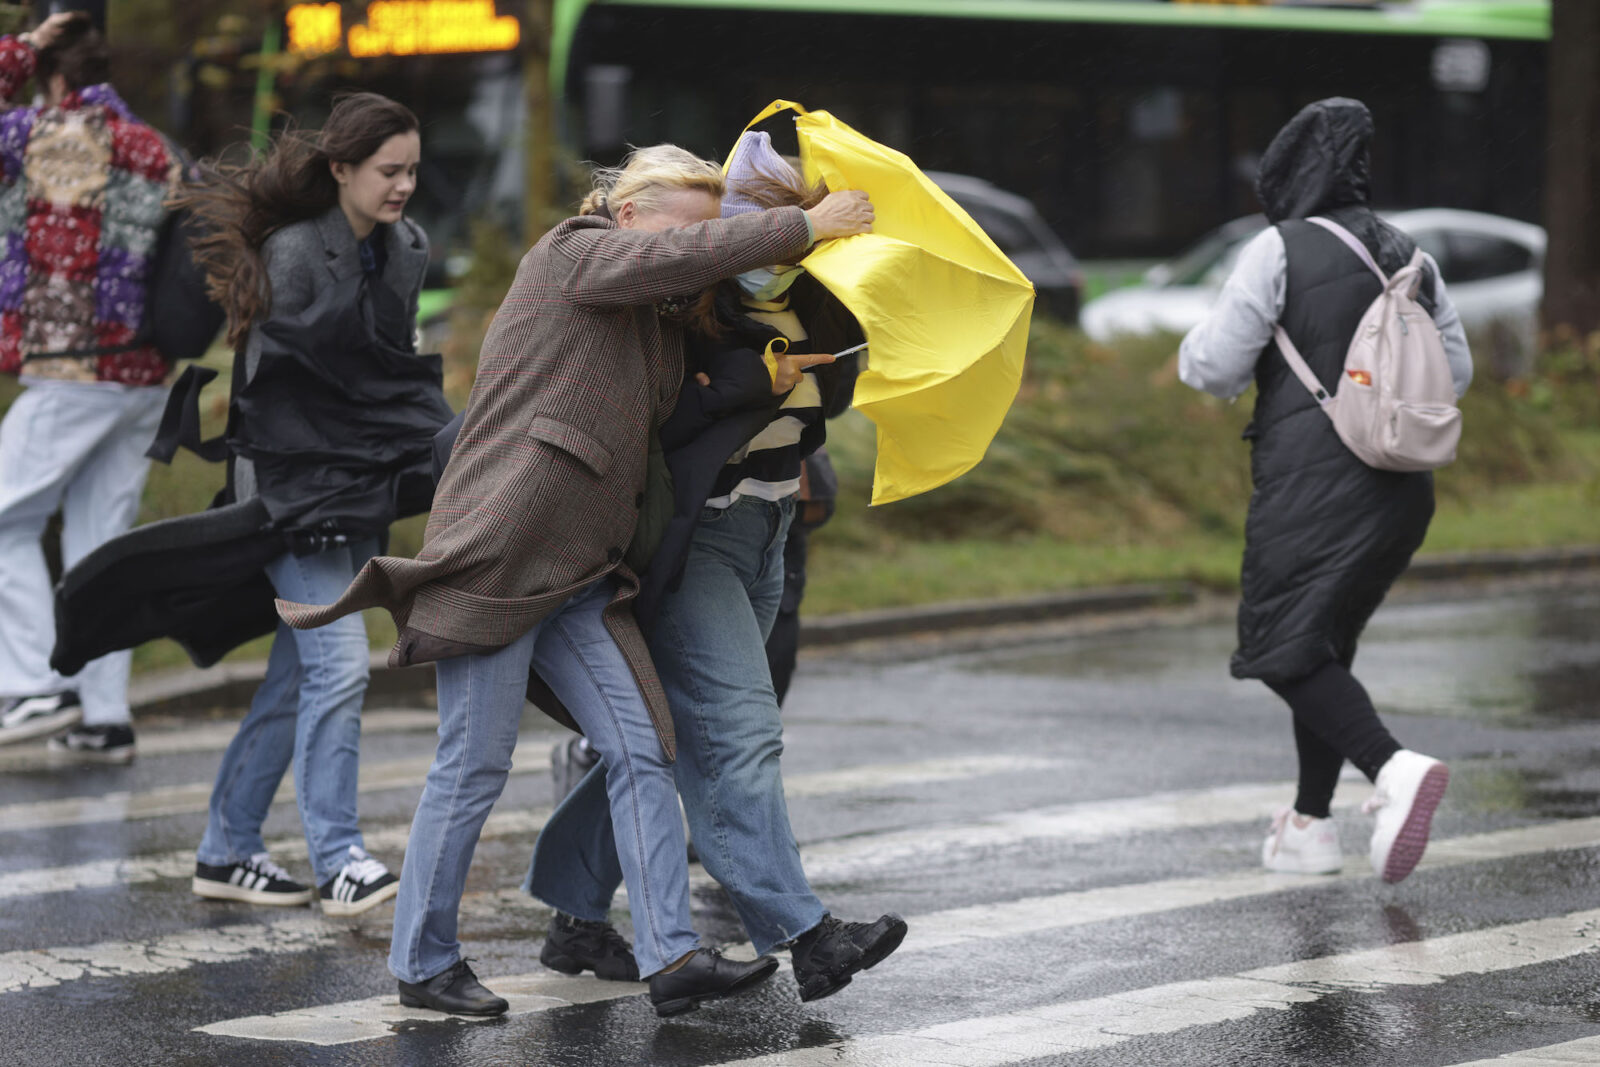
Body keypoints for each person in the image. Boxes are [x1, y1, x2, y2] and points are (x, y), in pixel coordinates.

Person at [277, 144, 875, 1017]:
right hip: (503, 556)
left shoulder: (657, 325)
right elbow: (673, 260)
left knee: (643, 748)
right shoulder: (573, 253)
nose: (702, 252)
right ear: (631, 217)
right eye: (689, 231)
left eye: (714, 234)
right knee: (473, 767)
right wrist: (802, 225)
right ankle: (423, 960)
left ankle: (673, 958)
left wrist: (761, 373)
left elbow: (682, 409)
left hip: (581, 572)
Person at [528, 132, 905, 1007]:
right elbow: (668, 419)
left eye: (794, 213)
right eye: (766, 215)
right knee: (739, 731)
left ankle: (573, 910)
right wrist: (757, 373)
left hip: (770, 525)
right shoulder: (680, 294)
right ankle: (806, 935)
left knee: (672, 737)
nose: (783, 230)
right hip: (700, 537)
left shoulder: (804, 289)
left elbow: (837, 389)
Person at [1178, 98, 1472, 884]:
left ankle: (1392, 767)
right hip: (1404, 490)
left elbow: (1212, 368)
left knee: (1278, 643)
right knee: (1320, 643)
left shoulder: (1277, 250)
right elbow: (1459, 375)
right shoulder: (1413, 254)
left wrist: (1195, 346)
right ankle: (1309, 825)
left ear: (1288, 175)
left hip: (1314, 486)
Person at [179, 93, 440, 917]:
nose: (402, 187)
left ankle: (227, 849)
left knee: (296, 680)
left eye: (412, 172)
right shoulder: (294, 253)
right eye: (387, 171)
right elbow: (275, 393)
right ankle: (341, 858)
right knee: (335, 666)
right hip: (289, 486)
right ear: (340, 170)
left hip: (357, 484)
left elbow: (388, 376)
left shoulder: (409, 252)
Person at [0, 12, 185, 761]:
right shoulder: (154, 147)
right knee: (99, 547)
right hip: (145, 375)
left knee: (3, 519)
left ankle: (35, 683)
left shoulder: (32, 135)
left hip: (71, 367)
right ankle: (104, 714)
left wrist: (18, 48)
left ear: (50, 70)